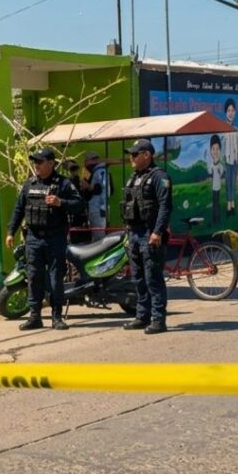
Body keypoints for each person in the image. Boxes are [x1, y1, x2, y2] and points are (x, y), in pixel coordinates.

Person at [6, 147, 84, 331]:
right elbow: (19, 210)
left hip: (55, 238)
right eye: (35, 162)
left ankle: (57, 317)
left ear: (51, 163)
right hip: (33, 238)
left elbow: (79, 204)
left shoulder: (63, 184)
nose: (36, 165)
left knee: (56, 278)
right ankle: (35, 316)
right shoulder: (29, 184)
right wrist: (11, 231)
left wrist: (60, 203)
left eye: (40, 162)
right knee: (34, 278)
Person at [120, 139, 172, 334]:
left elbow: (165, 206)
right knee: (138, 278)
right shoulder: (133, 178)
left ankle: (159, 319)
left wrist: (158, 232)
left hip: (150, 234)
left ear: (146, 155)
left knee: (153, 278)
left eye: (134, 154)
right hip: (134, 233)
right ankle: (142, 316)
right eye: (130, 154)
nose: (131, 158)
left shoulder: (159, 177)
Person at [61, 158, 90, 244]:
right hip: (73, 212)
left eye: (74, 169)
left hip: (79, 212)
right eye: (72, 169)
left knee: (80, 235)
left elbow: (85, 196)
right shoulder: (67, 182)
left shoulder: (79, 181)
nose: (73, 171)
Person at [83, 151, 111, 241]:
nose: (85, 164)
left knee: (99, 237)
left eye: (86, 161)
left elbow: (99, 189)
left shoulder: (99, 172)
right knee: (99, 234)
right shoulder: (104, 171)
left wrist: (88, 187)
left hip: (98, 209)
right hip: (102, 208)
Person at [222, 98, 238, 215]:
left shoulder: (236, 129)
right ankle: (228, 206)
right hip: (227, 161)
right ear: (225, 113)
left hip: (235, 161)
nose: (231, 113)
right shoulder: (222, 128)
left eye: (233, 110)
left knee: (233, 183)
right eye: (229, 110)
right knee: (228, 184)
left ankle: (233, 205)